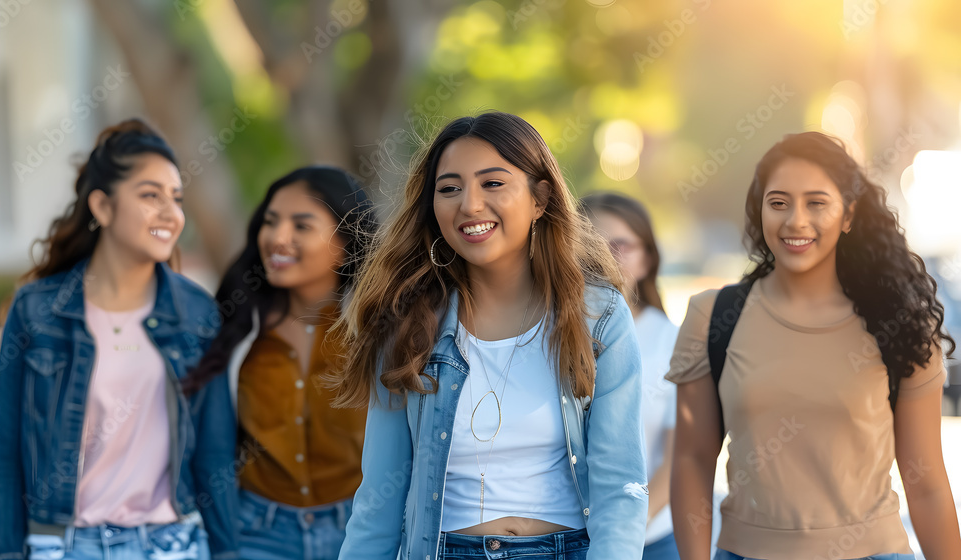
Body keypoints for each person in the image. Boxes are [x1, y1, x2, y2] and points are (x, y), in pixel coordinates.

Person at [334, 111, 649, 560]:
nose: (470, 205)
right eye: (449, 188)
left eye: (493, 183)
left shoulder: (598, 317)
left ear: (540, 198)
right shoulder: (406, 323)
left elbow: (621, 486)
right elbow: (377, 504)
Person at [668, 131, 961, 559]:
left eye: (817, 203)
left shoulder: (899, 325)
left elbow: (927, 483)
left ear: (848, 215)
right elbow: (692, 459)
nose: (796, 221)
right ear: (760, 210)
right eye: (778, 203)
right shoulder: (712, 317)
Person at [0, 119, 238, 560]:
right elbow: (6, 451)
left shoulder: (196, 313)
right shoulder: (37, 310)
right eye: (150, 196)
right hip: (64, 547)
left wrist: (227, 552)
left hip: (172, 545)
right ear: (102, 207)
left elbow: (215, 452)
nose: (171, 213)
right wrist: (8, 553)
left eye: (176, 198)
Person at [184, 166, 377, 560]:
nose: (277, 237)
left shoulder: (382, 329)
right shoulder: (235, 327)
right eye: (270, 222)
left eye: (301, 226)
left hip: (363, 531)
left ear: (346, 240)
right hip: (256, 534)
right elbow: (211, 445)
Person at [582, 193, 680, 560]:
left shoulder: (672, 341)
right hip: (563, 539)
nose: (604, 257)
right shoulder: (544, 332)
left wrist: (623, 532)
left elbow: (681, 456)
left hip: (650, 539)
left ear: (648, 258)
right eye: (591, 244)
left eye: (620, 245)